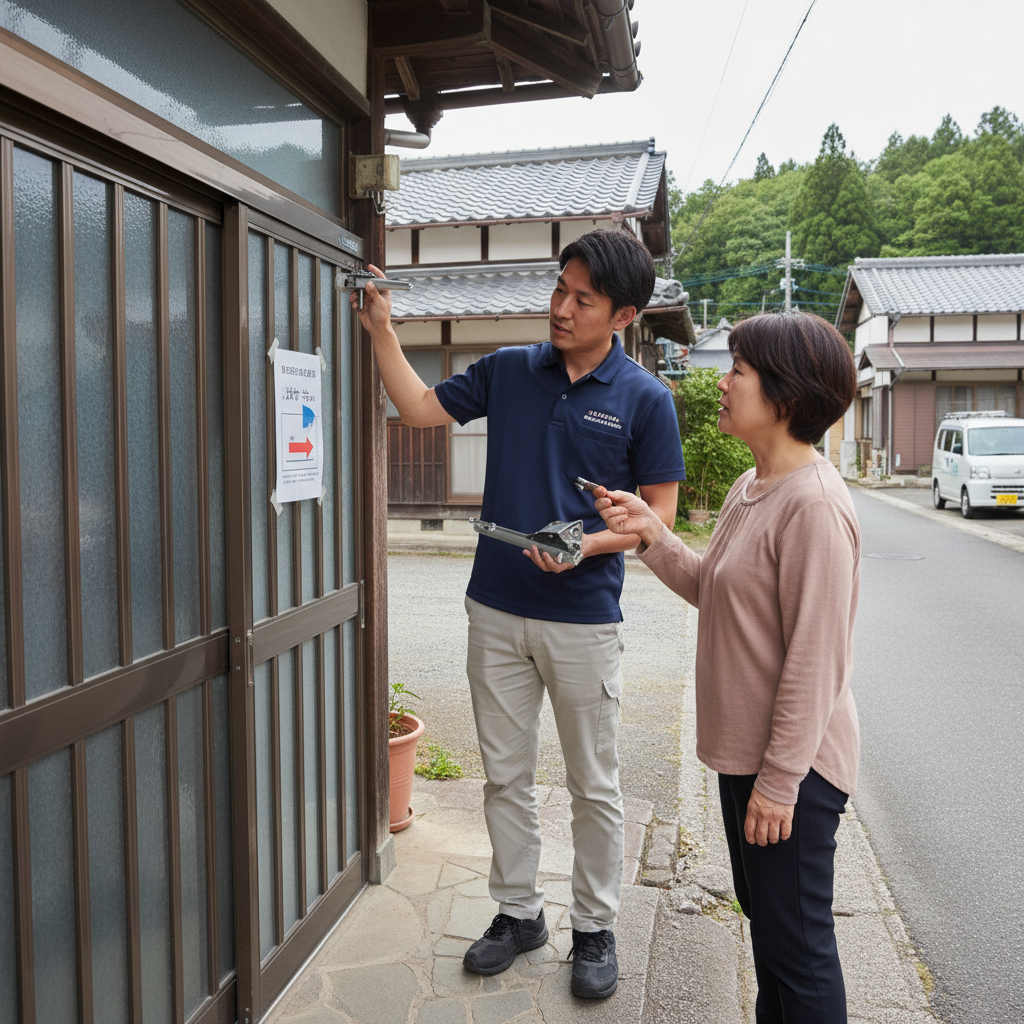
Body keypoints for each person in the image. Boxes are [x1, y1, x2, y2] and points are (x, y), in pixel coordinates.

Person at [352, 229, 685, 999]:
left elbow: (656, 522)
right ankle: (518, 913)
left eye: (583, 299)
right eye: (559, 289)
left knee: (593, 784)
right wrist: (381, 329)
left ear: (623, 314)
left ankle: (595, 926)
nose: (561, 308)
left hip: (583, 621)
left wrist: (589, 542)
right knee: (504, 777)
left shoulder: (647, 400)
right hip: (494, 608)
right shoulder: (509, 370)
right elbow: (417, 406)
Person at [595, 311, 860, 1023]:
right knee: (772, 940)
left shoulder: (815, 508)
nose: (722, 379)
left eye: (737, 369)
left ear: (787, 395)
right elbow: (716, 589)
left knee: (799, 955)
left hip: (792, 773)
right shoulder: (753, 485)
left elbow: (816, 660)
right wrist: (652, 533)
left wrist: (778, 784)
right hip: (753, 760)